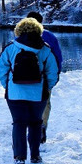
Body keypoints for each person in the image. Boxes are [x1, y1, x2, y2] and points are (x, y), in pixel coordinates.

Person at [0, 17, 59, 164]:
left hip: (15, 94)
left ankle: (19, 157)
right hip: (38, 95)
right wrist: (46, 87)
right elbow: (52, 74)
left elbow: (1, 70)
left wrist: (8, 86)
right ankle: (35, 155)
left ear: (19, 31)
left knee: (19, 123)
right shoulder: (45, 49)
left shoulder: (11, 48)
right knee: (36, 123)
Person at [27, 11, 62, 143]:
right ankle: (42, 126)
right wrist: (57, 74)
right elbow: (58, 57)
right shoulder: (49, 36)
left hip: (26, 77)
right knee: (45, 102)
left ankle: (31, 128)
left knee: (28, 101)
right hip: (46, 76)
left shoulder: (20, 37)